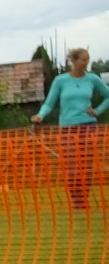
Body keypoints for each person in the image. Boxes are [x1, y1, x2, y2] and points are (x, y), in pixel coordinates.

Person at [30, 47, 109, 210]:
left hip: (88, 126)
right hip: (67, 128)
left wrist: (97, 111)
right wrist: (40, 115)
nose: (86, 62)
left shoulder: (92, 79)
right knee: (72, 166)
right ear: (74, 61)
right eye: (83, 59)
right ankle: (76, 197)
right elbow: (49, 103)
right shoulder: (60, 80)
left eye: (88, 59)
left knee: (86, 165)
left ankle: (83, 200)